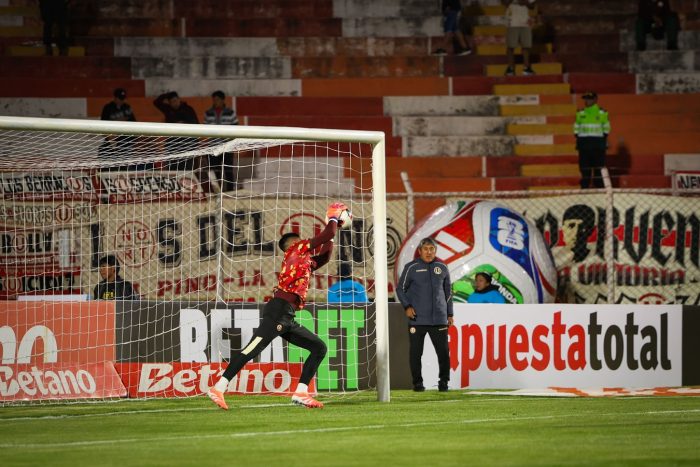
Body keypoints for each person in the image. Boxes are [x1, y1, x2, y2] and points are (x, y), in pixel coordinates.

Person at [207, 202, 351, 410]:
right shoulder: (295, 249)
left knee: (319, 348)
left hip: (287, 314)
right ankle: (219, 387)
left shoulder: (304, 262)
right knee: (252, 349)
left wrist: (333, 230)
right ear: (293, 244)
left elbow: (325, 256)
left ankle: (301, 392)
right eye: (301, 240)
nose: (305, 242)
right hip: (279, 309)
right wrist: (333, 218)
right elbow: (326, 234)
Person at [396, 237, 453, 392]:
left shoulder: (442, 267)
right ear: (420, 251)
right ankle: (418, 384)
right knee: (416, 353)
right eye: (426, 249)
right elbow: (400, 289)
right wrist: (407, 306)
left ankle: (444, 382)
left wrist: (449, 314)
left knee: (443, 353)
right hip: (417, 319)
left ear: (435, 251)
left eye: (431, 249)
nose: (429, 252)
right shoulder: (411, 267)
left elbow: (448, 292)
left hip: (439, 319)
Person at [203, 90, 239, 192]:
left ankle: (230, 192)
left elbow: (236, 128)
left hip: (228, 147)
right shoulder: (208, 113)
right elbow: (205, 128)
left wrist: (229, 139)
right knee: (215, 171)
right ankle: (216, 192)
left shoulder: (230, 112)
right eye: (214, 99)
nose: (215, 101)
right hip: (213, 147)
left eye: (217, 99)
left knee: (228, 170)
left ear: (223, 100)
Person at [153, 91, 200, 169]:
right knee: (173, 167)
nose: (174, 103)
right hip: (173, 144)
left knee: (187, 167)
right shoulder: (168, 109)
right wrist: (166, 95)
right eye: (172, 102)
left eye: (175, 100)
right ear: (169, 103)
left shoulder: (188, 109)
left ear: (179, 100)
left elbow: (196, 124)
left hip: (187, 143)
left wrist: (183, 124)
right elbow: (156, 102)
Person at [574, 91, 611, 189]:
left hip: (597, 145)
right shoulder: (580, 113)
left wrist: (602, 140)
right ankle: (585, 190)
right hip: (584, 145)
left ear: (595, 100)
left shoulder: (602, 112)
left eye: (589, 99)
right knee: (584, 169)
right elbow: (576, 127)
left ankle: (599, 190)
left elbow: (606, 128)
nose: (587, 101)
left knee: (599, 169)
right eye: (586, 98)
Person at [504, 0, 537, 76]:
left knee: (526, 46)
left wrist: (523, 2)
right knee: (510, 46)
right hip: (512, 22)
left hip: (525, 22)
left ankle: (526, 68)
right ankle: (510, 68)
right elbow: (505, 3)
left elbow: (532, 6)